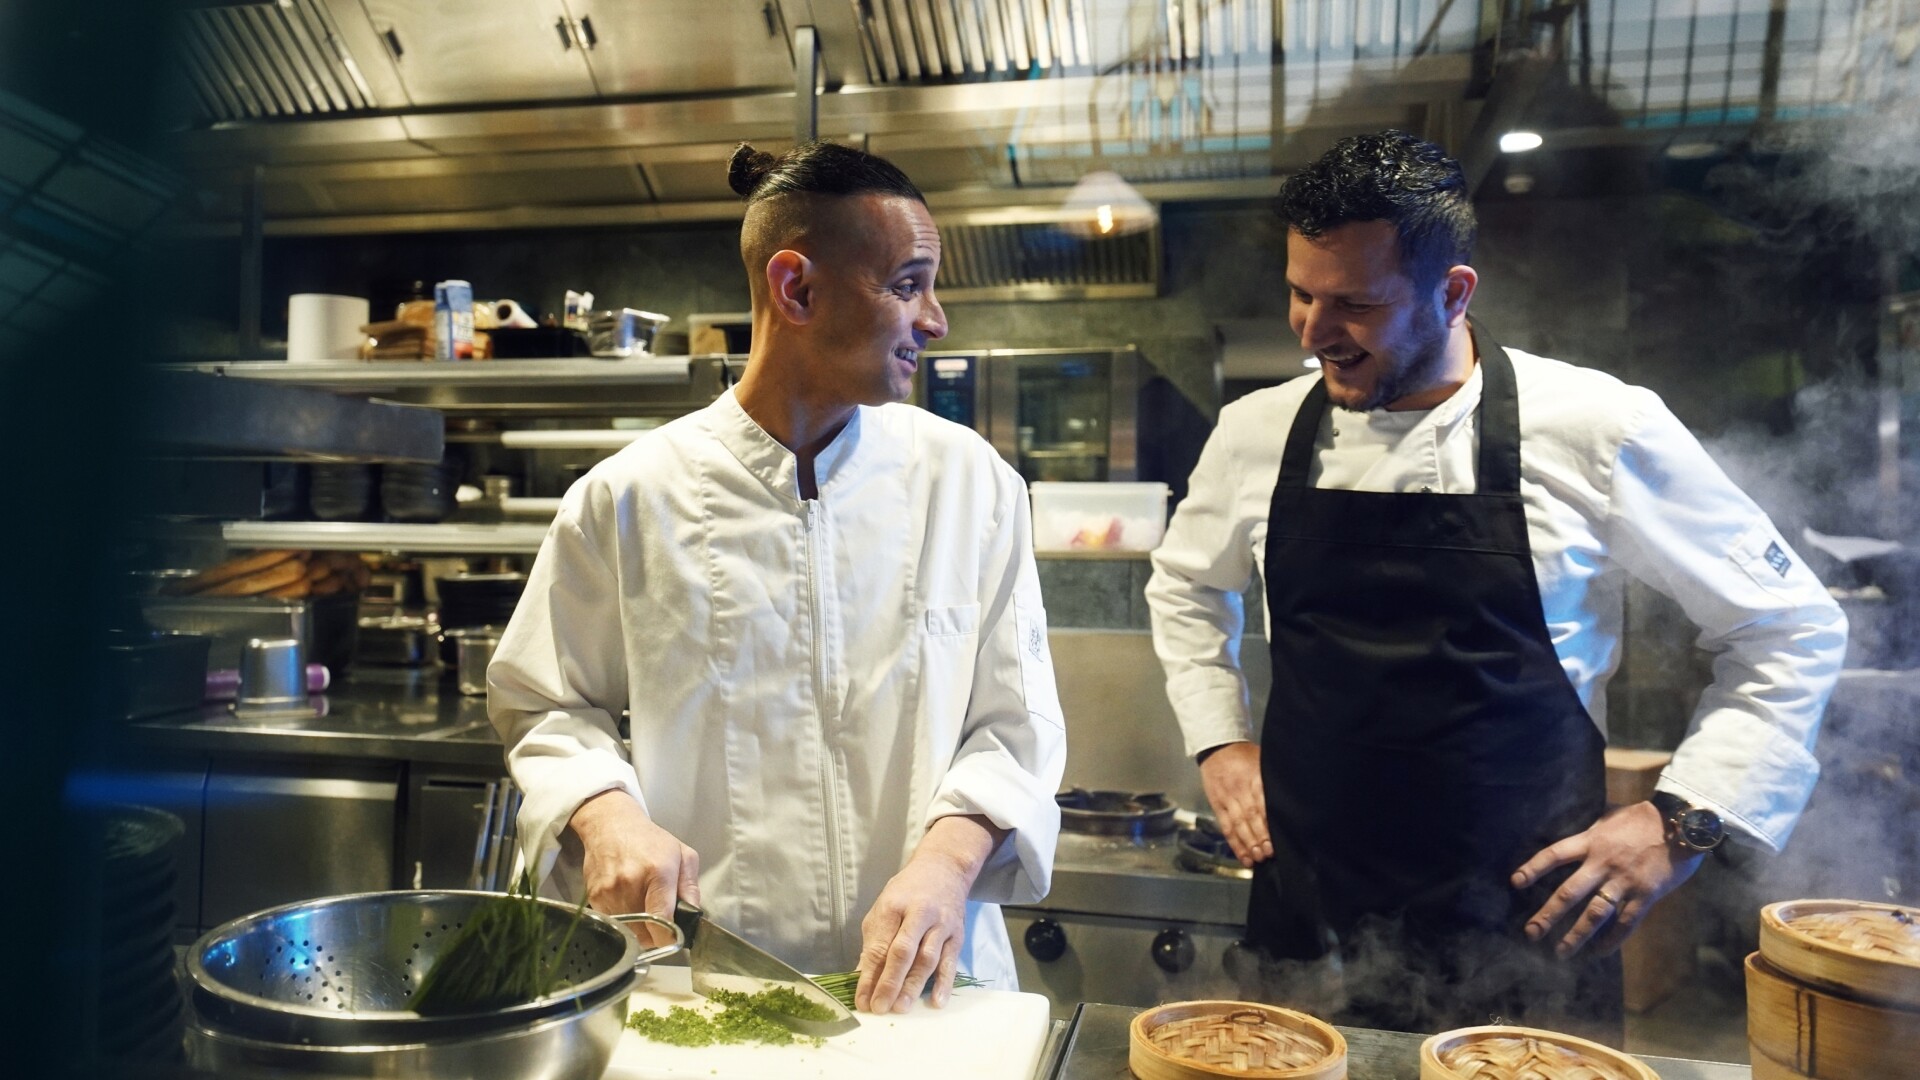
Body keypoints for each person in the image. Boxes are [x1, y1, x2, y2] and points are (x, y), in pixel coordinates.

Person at [1145, 130, 1847, 1040]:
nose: (1314, 333)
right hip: (1309, 924)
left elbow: (1790, 626)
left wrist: (1681, 822)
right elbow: (1184, 587)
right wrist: (1219, 742)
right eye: (1299, 294)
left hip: (1525, 939)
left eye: (1354, 304)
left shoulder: (1599, 427)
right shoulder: (1256, 431)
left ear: (1454, 291)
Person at [488, 141, 1066, 1013]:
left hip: (925, 991)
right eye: (908, 284)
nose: (936, 319)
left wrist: (947, 865)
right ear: (796, 289)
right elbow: (545, 701)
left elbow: (1015, 727)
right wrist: (607, 818)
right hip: (709, 991)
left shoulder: (971, 484)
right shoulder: (628, 498)